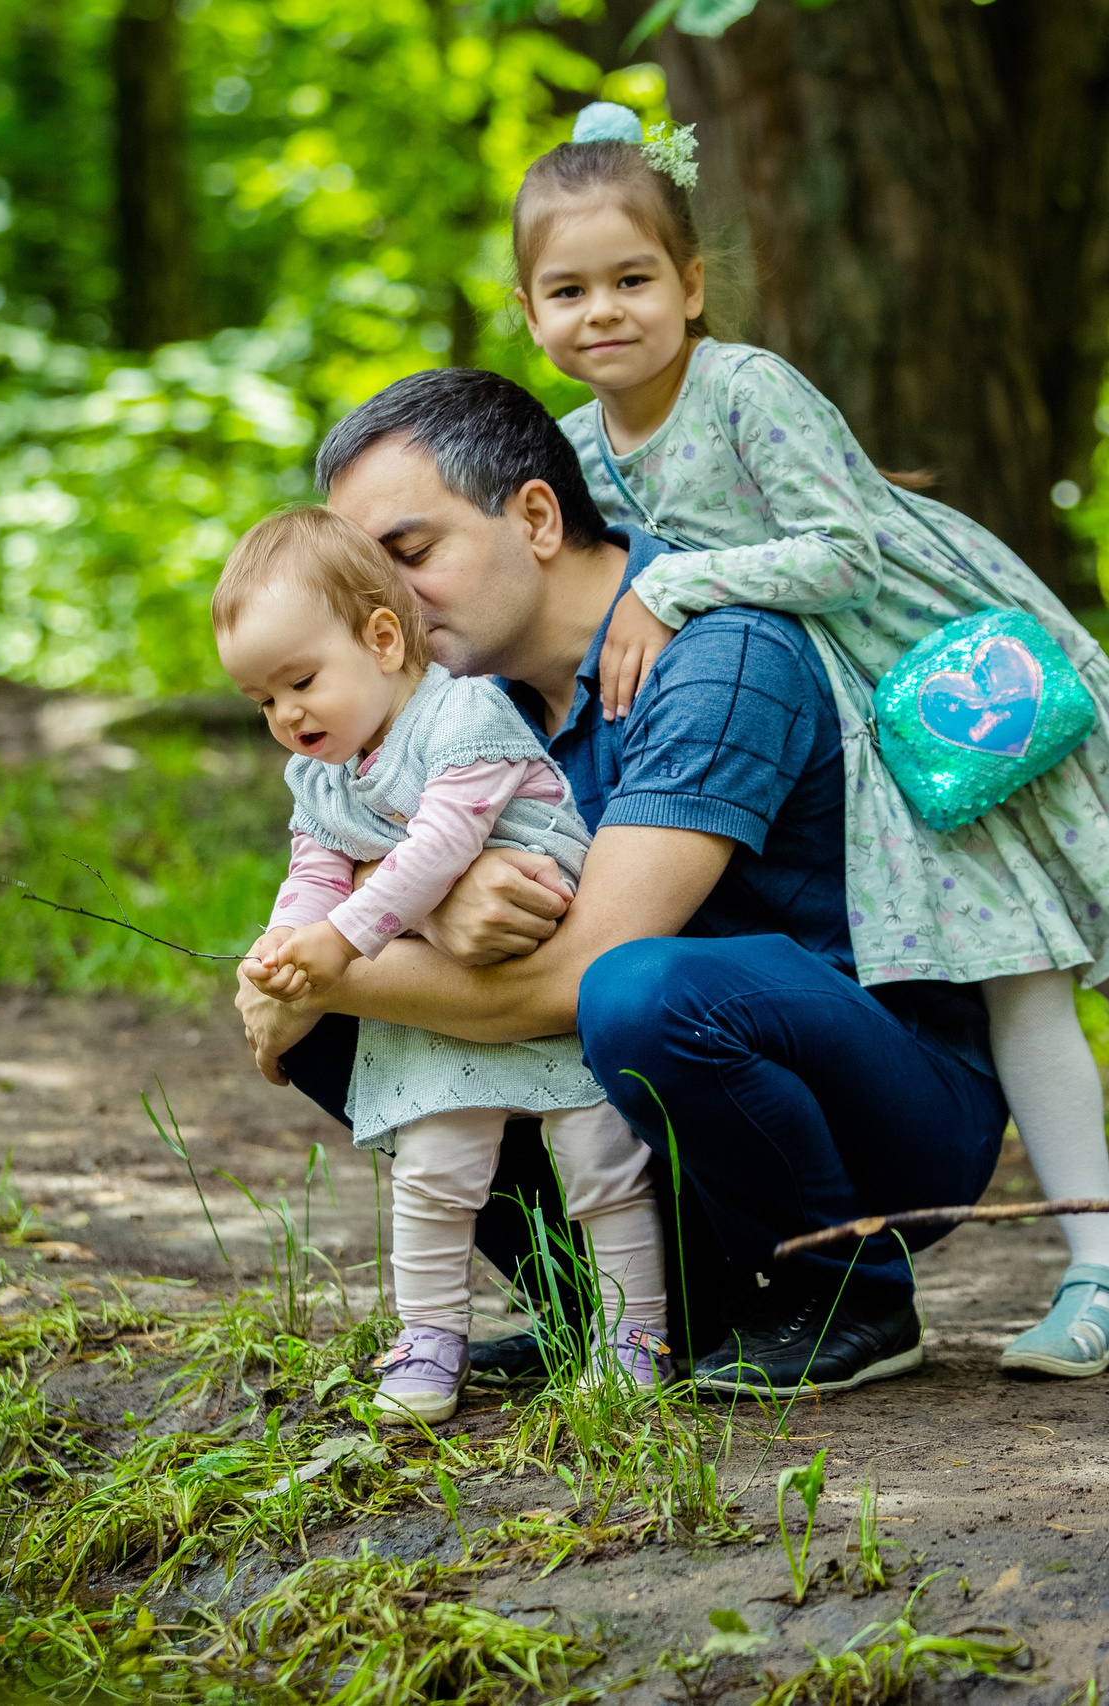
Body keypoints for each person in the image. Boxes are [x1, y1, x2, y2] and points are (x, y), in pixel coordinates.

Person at [502, 101, 1109, 1379]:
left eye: (632, 278)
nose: (603, 311)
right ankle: (1099, 1267)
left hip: (964, 684)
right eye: (567, 290)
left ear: (691, 285)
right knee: (1009, 966)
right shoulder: (578, 451)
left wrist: (675, 590)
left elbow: (846, 552)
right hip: (872, 740)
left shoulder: (745, 388)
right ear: (529, 312)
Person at [233, 364, 1014, 1399]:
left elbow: (586, 968)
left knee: (628, 989)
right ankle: (621, 1314)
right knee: (347, 1009)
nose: (376, 601)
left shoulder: (720, 655)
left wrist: (312, 977)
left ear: (539, 518)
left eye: (408, 553)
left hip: (868, 1099)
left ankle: (846, 1292)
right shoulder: (458, 702)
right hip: (669, 1107)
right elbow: (353, 859)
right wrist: (420, 901)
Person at [214, 505, 669, 1423]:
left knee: (598, 1155)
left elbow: (442, 844)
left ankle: (636, 1337)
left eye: (300, 681)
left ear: (384, 640)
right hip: (445, 995)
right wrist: (282, 943)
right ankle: (428, 1340)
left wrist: (339, 945)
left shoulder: (462, 712)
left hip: (545, 970)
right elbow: (314, 867)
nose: (285, 715)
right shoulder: (323, 773)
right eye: (263, 701)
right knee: (434, 1161)